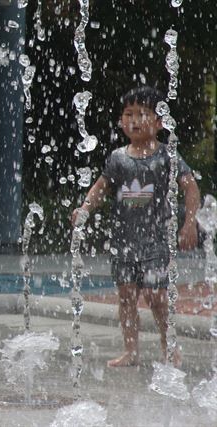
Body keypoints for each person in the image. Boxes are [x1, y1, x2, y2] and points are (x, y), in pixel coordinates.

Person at [72, 86, 200, 368]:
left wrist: (189, 223)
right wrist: (84, 209)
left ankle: (170, 347)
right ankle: (131, 350)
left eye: (142, 114)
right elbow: (100, 187)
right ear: (121, 121)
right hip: (123, 240)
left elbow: (191, 188)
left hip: (156, 240)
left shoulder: (167, 156)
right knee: (127, 296)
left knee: (157, 296)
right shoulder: (118, 157)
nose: (134, 120)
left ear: (158, 122)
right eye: (128, 114)